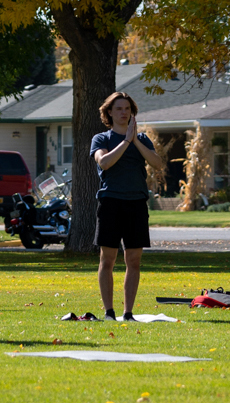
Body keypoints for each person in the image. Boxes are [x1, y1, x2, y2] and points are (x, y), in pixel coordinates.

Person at [91, 91, 161, 321]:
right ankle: (109, 311)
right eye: (119, 108)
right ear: (109, 112)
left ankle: (128, 312)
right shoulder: (101, 139)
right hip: (111, 202)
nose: (124, 113)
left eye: (127, 109)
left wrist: (135, 141)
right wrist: (125, 142)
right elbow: (105, 162)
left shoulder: (142, 139)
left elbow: (157, 163)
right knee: (107, 258)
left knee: (133, 260)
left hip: (136, 203)